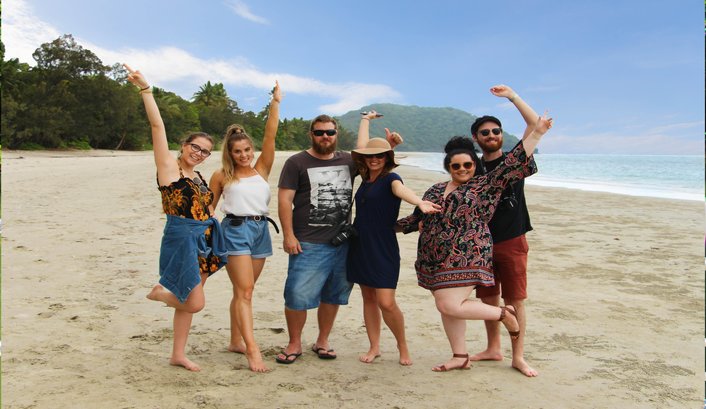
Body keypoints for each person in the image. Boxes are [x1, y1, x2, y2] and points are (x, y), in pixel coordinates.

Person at [397, 98, 553, 372]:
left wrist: (537, 131)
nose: (462, 170)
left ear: (474, 166)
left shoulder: (484, 185)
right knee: (451, 304)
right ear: (448, 167)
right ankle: (462, 355)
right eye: (456, 166)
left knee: (456, 303)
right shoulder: (434, 189)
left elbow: (514, 162)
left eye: (467, 166)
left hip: (473, 253)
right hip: (436, 260)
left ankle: (507, 323)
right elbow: (415, 219)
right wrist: (384, 228)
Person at [275, 113, 401, 364]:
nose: (325, 137)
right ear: (311, 134)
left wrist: (389, 146)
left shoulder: (347, 160)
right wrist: (288, 235)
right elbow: (284, 200)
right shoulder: (296, 162)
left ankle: (322, 340)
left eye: (330, 132)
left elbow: (370, 156)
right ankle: (294, 343)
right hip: (308, 241)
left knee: (333, 294)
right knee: (297, 295)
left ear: (336, 135)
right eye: (319, 132)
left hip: (343, 243)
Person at [124, 64, 226, 372]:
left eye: (206, 151)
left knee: (188, 299)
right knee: (193, 301)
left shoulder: (199, 176)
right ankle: (159, 292)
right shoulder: (170, 168)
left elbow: (207, 207)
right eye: (195, 147)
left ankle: (177, 353)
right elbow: (157, 128)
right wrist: (146, 90)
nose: (199, 153)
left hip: (204, 237)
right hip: (181, 237)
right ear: (184, 146)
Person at [347, 112, 441, 366]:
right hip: (360, 244)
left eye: (380, 156)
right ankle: (374, 346)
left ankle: (402, 345)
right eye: (371, 156)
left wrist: (420, 202)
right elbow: (362, 146)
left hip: (383, 246)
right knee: (368, 298)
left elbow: (402, 191)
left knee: (386, 302)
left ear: (387, 158)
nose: (374, 159)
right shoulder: (365, 177)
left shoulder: (392, 178)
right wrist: (366, 120)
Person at [209, 81, 282, 373]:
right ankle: (253, 351)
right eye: (238, 151)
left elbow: (270, 135)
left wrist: (275, 102)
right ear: (230, 152)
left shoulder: (262, 168)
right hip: (235, 230)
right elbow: (208, 210)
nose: (244, 155)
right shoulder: (221, 175)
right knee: (246, 291)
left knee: (243, 292)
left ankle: (235, 341)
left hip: (261, 231)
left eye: (247, 149)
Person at [469, 85, 540, 377]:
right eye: (484, 133)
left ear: (501, 134)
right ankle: (492, 348)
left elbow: (536, 126)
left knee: (515, 300)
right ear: (477, 138)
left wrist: (512, 97)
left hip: (512, 240)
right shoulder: (471, 169)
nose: (491, 136)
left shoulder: (515, 160)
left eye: (495, 131)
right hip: (481, 243)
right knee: (488, 300)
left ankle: (518, 356)